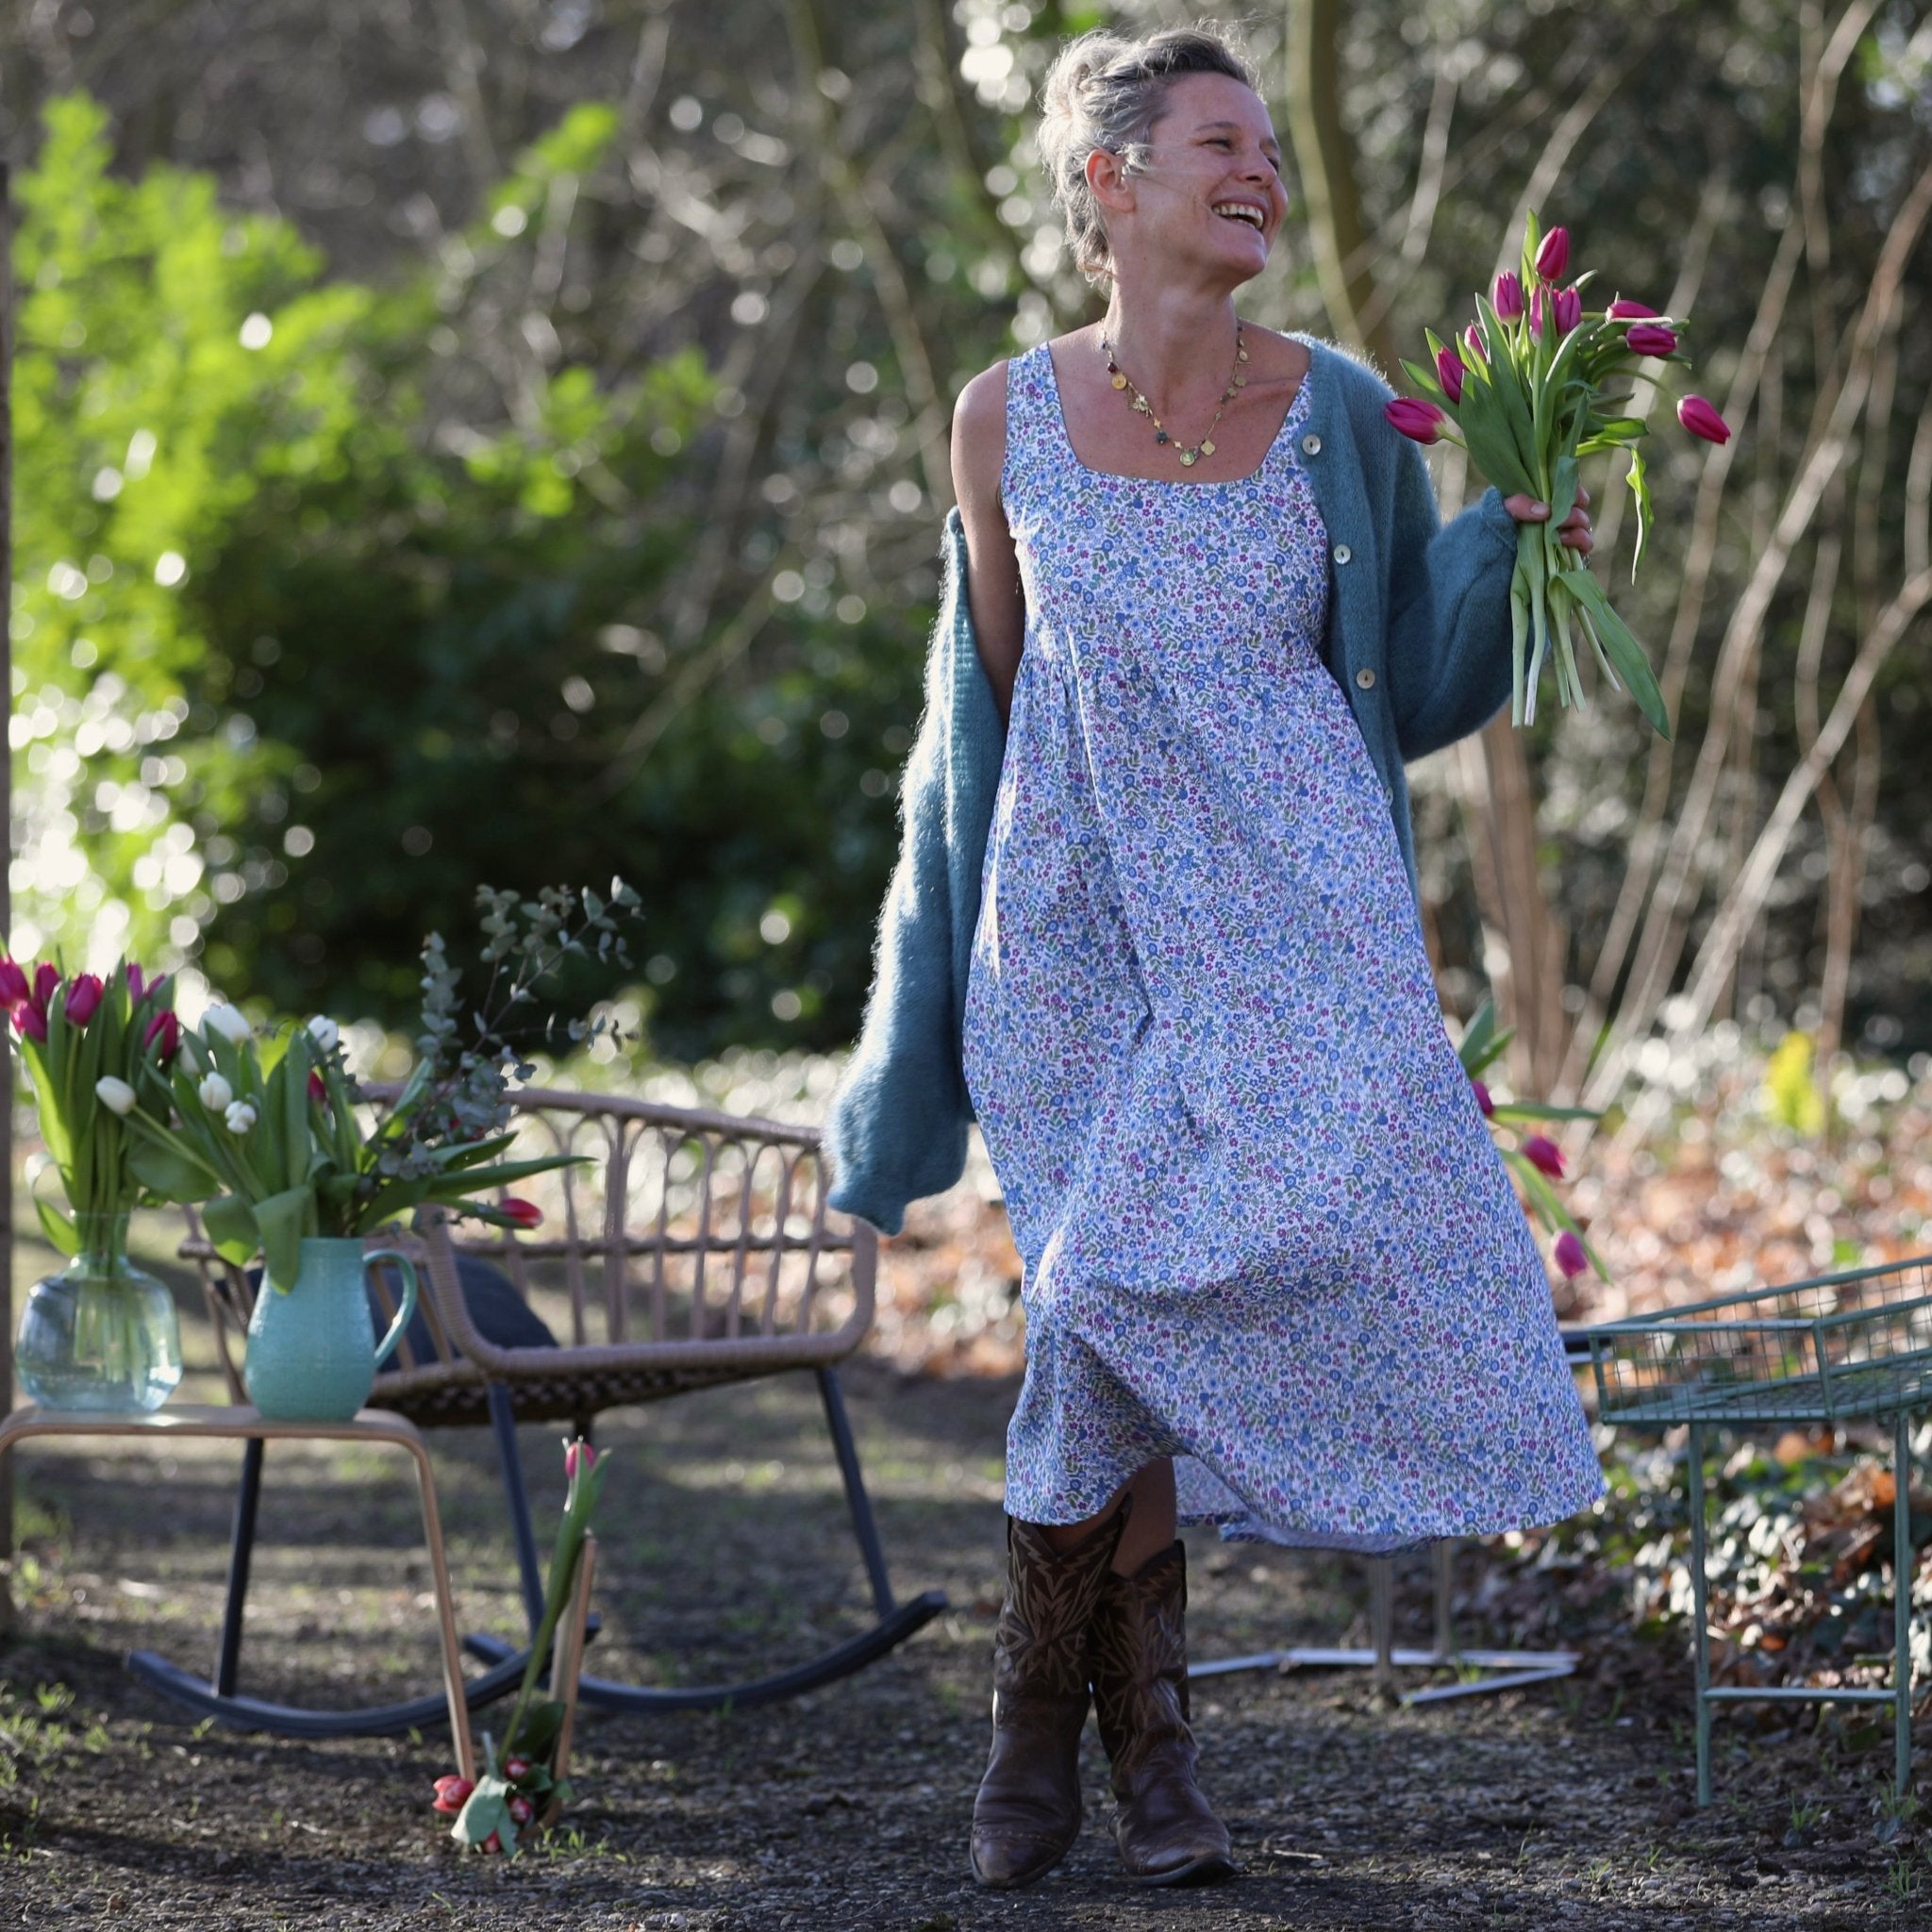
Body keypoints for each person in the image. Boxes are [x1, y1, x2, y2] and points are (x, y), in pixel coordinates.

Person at [826, 21, 1606, 1892]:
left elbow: (1416, 680)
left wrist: (1508, 547)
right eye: (1217, 144)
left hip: (1294, 927)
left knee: (1119, 1293)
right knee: (1099, 1307)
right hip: (1071, 937)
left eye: (1265, 147)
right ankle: (1150, 1764)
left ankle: (1042, 1728)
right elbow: (986, 704)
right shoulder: (999, 417)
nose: (1257, 171)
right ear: (1108, 185)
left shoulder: (1337, 406)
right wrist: (933, 980)